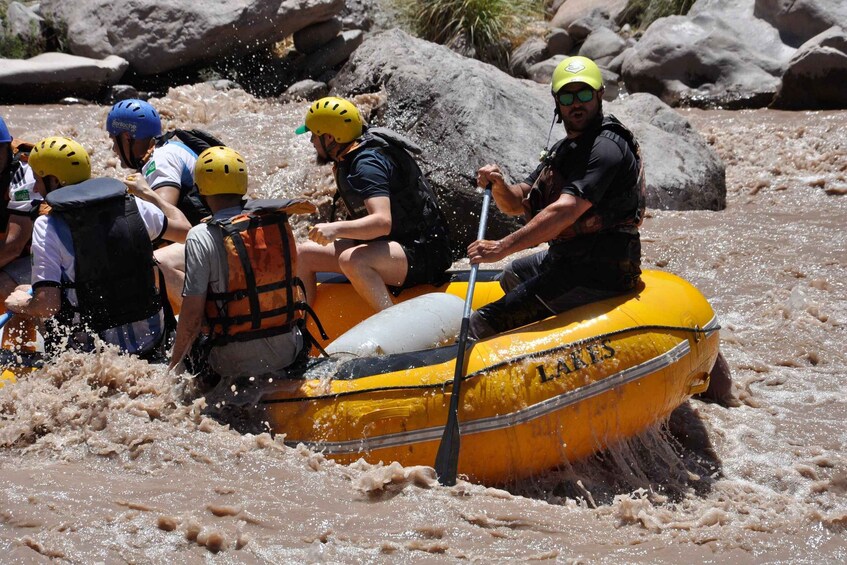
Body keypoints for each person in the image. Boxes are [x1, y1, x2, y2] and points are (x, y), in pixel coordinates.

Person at [467, 56, 645, 339]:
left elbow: (565, 211)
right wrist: (500, 185)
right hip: (567, 259)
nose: (577, 103)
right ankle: (539, 335)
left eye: (584, 94)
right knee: (513, 274)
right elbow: (516, 202)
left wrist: (501, 246)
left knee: (479, 323)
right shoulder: (565, 150)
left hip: (600, 270)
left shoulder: (607, 148)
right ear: (557, 103)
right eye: (567, 96)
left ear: (599, 96)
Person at [4, 136, 191, 358]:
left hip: (93, 351)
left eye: (38, 179)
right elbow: (187, 231)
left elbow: (47, 305)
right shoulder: (133, 205)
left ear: (54, 181)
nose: (35, 186)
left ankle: (17, 366)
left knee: (22, 296)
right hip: (152, 338)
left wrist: (22, 303)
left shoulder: (48, 225)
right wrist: (148, 194)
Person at [169, 146, 318, 383]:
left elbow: (193, 317)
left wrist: (173, 369)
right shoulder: (277, 221)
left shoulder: (200, 235)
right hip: (288, 351)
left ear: (201, 188)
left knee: (179, 337)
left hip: (230, 362)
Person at [294, 96, 452, 312]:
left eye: (314, 135)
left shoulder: (367, 165)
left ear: (329, 137)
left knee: (353, 260)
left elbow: (382, 222)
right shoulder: (350, 155)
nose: (312, 141)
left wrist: (336, 228)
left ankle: (393, 326)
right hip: (391, 245)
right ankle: (301, 332)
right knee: (304, 254)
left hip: (423, 250)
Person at [106, 98, 211, 311]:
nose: (114, 150)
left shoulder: (161, 159)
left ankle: (201, 318)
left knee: (144, 264)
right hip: (207, 236)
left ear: (127, 137)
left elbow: (163, 218)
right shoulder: (169, 147)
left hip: (205, 241)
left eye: (114, 140)